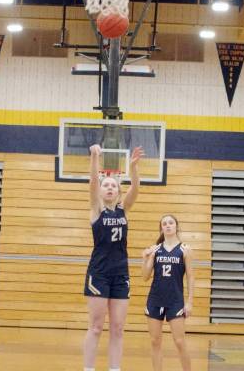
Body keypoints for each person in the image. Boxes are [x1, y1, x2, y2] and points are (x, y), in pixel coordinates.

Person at [83, 145, 143, 371]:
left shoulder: (123, 210)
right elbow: (92, 183)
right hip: (98, 274)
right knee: (96, 327)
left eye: (113, 186)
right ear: (101, 190)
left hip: (120, 274)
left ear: (118, 192)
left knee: (117, 328)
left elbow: (135, 189)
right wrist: (95, 157)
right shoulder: (97, 209)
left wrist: (134, 168)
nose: (109, 188)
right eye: (105, 185)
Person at [142, 214, 194, 371]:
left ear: (176, 226)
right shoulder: (156, 250)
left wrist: (189, 302)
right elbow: (145, 277)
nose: (168, 225)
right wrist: (145, 258)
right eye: (164, 223)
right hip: (155, 299)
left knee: (179, 341)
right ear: (161, 228)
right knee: (155, 341)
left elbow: (191, 277)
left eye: (171, 222)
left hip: (175, 300)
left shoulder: (185, 250)